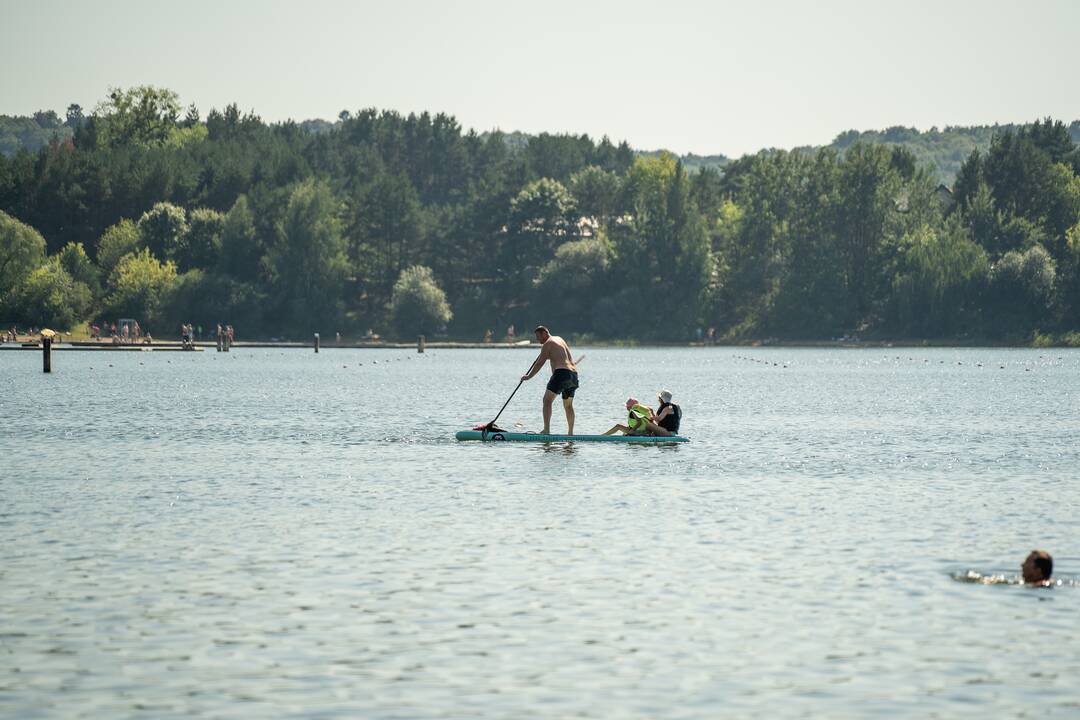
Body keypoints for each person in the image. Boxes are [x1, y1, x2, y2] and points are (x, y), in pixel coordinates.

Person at [520, 325, 578, 435]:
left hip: (561, 373)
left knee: (547, 401)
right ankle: (570, 433)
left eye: (538, 336)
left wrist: (528, 376)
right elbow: (557, 359)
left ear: (544, 333)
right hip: (573, 375)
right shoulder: (559, 339)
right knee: (568, 405)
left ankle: (546, 430)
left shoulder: (548, 344)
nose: (537, 340)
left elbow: (539, 364)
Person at [603, 397, 673, 437]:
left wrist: (632, 431)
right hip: (645, 431)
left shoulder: (633, 411)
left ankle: (603, 436)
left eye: (627, 406)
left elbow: (639, 422)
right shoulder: (641, 410)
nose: (626, 407)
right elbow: (650, 422)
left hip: (640, 432)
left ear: (630, 406)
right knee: (624, 432)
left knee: (618, 426)